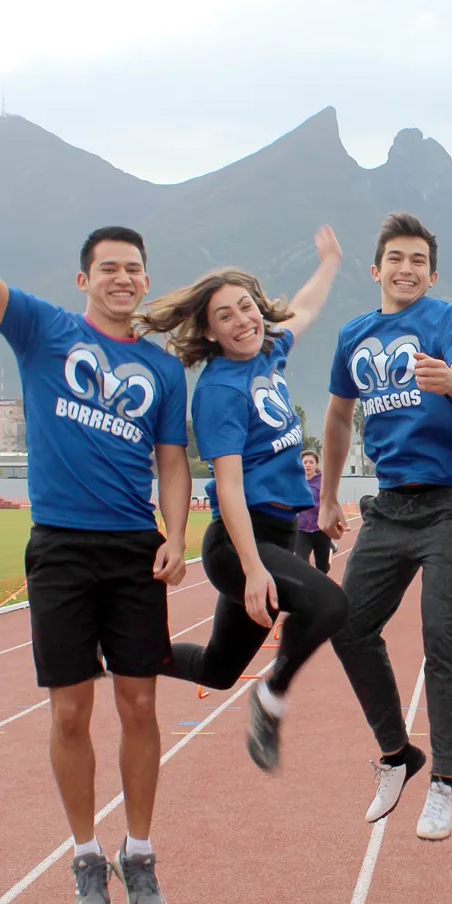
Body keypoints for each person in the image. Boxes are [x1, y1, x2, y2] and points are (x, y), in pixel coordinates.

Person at [0, 141, 188, 904]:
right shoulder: (40, 330)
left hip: (133, 550)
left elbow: (172, 462)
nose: (123, 278)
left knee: (139, 703)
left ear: (147, 281)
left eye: (135, 268)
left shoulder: (162, 371)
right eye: (109, 267)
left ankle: (141, 847)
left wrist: (178, 534)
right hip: (58, 546)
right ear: (84, 278)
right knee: (67, 713)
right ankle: (86, 854)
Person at [138, 226, 349, 775]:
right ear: (209, 332)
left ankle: (123, 651)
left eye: (247, 307)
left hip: (279, 536)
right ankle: (272, 697)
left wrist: (329, 262)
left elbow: (302, 309)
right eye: (225, 315)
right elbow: (227, 486)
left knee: (217, 668)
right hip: (240, 544)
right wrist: (254, 570)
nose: (243, 320)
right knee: (328, 605)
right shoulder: (220, 391)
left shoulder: (269, 352)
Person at [317, 213, 452, 843]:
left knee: (440, 631)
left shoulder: (447, 321)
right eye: (396, 258)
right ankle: (397, 754)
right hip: (388, 506)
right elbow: (338, 418)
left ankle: (443, 781)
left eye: (418, 260)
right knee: (347, 624)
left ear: (432, 273)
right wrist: (330, 496)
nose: (407, 269)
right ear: (376, 269)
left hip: (448, 503)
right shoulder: (353, 335)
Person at [294, 451, 335, 574]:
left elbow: (329, 501)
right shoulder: (296, 480)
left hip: (320, 529)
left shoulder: (323, 481)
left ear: (316, 464)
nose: (308, 465)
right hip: (302, 529)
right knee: (301, 564)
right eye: (305, 462)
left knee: (322, 569)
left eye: (311, 462)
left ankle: (331, 549)